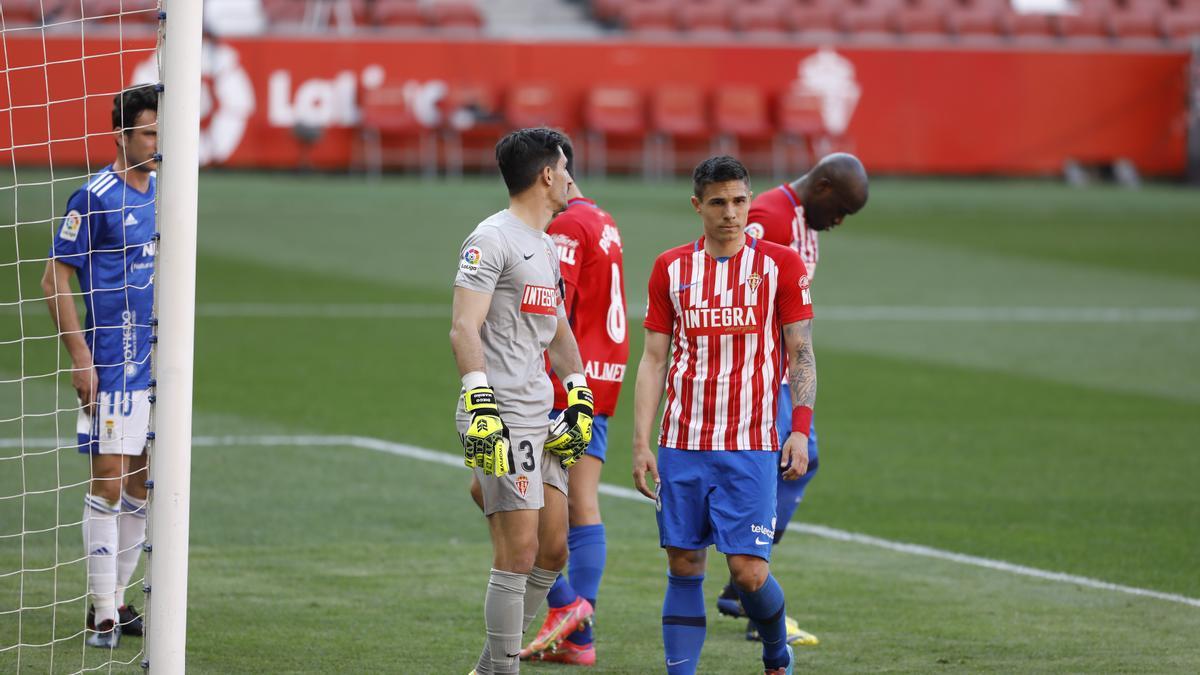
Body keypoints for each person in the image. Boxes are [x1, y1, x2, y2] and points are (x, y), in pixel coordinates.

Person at [631, 156, 817, 675]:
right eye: (718, 203)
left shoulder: (780, 265)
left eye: (739, 201)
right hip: (682, 443)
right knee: (684, 563)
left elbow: (800, 354)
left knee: (749, 573)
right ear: (698, 206)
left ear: (749, 201)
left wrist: (798, 431)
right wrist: (641, 442)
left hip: (752, 443)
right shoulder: (671, 267)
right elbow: (652, 359)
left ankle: (776, 653)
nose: (731, 213)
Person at [451, 127, 596, 675]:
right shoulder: (490, 239)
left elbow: (557, 333)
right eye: (566, 168)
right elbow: (464, 328)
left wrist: (579, 395)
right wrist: (480, 404)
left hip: (542, 414)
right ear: (547, 174)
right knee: (518, 552)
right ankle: (502, 672)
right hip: (501, 413)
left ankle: (490, 668)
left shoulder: (544, 245)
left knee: (554, 549)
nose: (570, 179)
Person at [717, 153, 869, 645]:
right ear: (822, 186)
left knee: (802, 459)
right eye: (840, 209)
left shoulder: (800, 219)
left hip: (784, 370)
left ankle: (743, 584)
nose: (839, 222)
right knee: (783, 464)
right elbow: (743, 292)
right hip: (765, 375)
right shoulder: (769, 217)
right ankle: (751, 588)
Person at [41, 84, 159, 649]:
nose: (157, 144)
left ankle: (112, 602)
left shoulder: (167, 194)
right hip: (109, 364)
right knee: (108, 482)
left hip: (155, 365)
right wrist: (80, 358)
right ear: (121, 135)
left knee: (143, 485)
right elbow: (52, 280)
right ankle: (103, 611)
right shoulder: (94, 197)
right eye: (149, 134)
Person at [519, 146, 629, 666]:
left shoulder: (565, 229)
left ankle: (565, 605)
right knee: (584, 505)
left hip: (565, 388)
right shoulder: (603, 220)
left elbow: (550, 303)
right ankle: (579, 637)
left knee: (499, 492)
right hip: (602, 380)